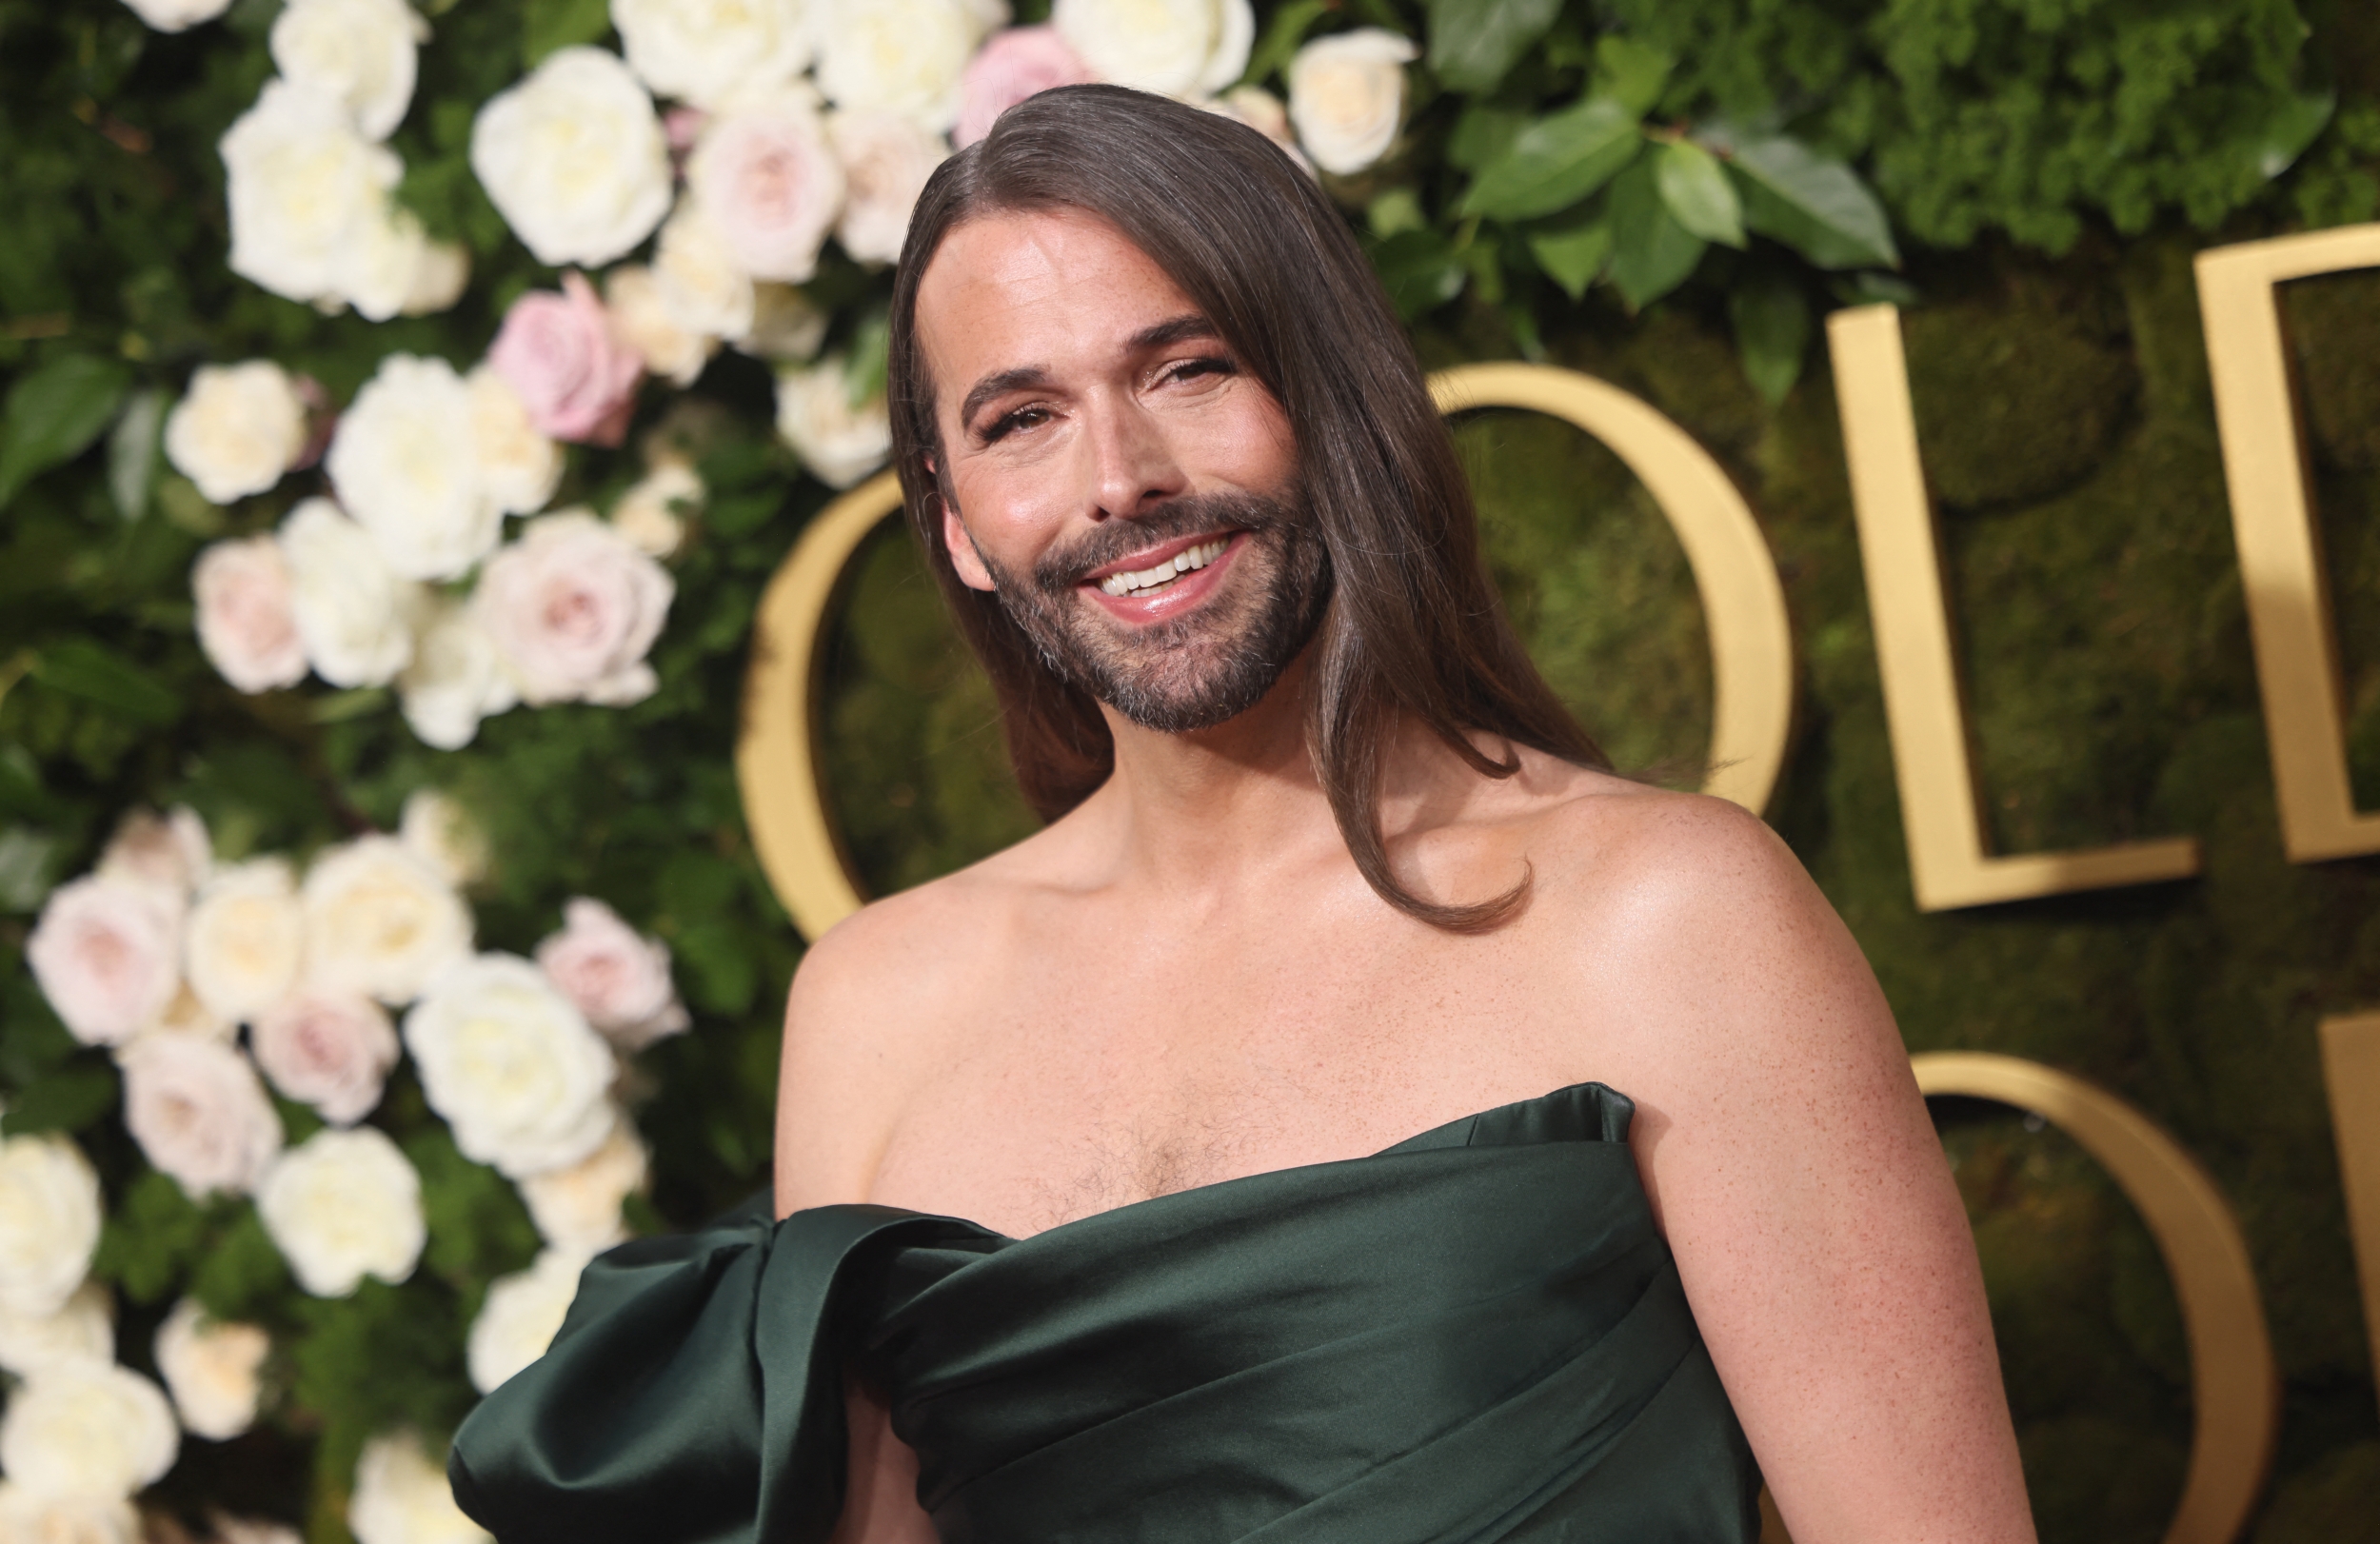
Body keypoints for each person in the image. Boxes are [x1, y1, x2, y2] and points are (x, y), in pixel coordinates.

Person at [450, 86, 2035, 1544]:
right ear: (954, 527)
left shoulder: (1668, 917)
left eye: (1186, 370)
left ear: (1329, 403)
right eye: (1021, 419)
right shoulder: (875, 1007)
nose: (1119, 476)